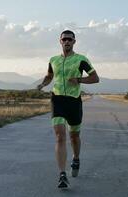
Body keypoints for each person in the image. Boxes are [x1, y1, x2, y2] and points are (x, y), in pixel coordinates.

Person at [37, 30, 99, 188]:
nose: (67, 42)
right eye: (64, 39)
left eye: (69, 39)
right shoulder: (53, 60)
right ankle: (62, 174)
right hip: (57, 99)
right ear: (60, 41)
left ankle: (76, 158)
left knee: (74, 136)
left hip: (74, 101)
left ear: (74, 42)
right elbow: (49, 76)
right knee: (59, 136)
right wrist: (43, 84)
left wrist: (78, 79)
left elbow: (95, 78)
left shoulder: (81, 59)